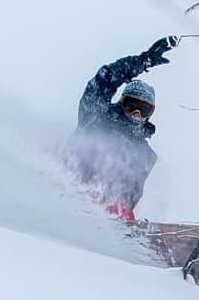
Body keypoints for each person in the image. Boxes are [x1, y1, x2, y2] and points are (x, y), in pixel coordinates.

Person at [66, 36, 179, 222]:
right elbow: (105, 80)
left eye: (144, 110)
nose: (136, 113)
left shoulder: (145, 154)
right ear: (121, 103)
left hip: (103, 210)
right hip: (71, 187)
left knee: (119, 206)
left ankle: (118, 227)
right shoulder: (96, 118)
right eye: (132, 105)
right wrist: (143, 61)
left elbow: (132, 191)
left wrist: (123, 207)